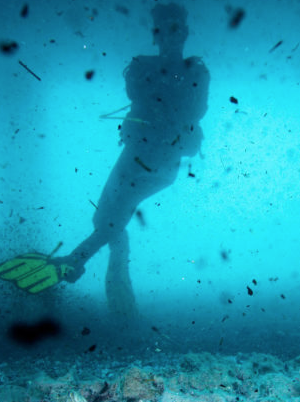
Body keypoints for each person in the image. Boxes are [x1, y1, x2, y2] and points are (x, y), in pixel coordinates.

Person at [57, 3, 209, 317]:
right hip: (137, 154)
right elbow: (138, 94)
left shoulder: (194, 71)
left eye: (176, 30)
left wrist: (165, 101)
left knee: (113, 216)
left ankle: (78, 260)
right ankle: (107, 270)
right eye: (165, 30)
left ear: (185, 33)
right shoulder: (144, 68)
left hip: (161, 161)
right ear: (156, 34)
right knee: (105, 218)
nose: (171, 36)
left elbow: (194, 110)